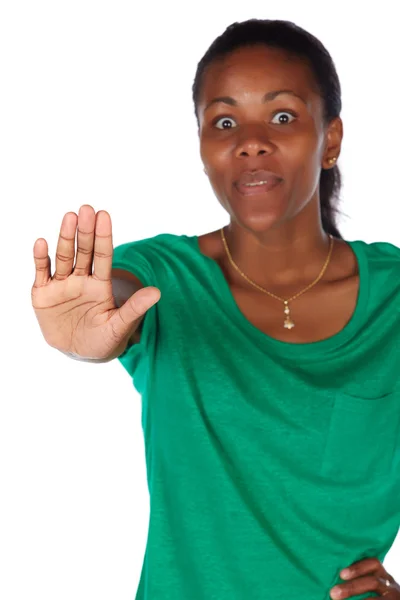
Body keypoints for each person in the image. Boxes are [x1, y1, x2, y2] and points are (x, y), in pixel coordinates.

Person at [31, 18, 400, 600]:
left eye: (283, 116)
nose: (250, 141)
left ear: (330, 140)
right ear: (203, 147)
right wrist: (88, 334)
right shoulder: (163, 276)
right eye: (224, 121)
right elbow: (115, 301)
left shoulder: (394, 297)